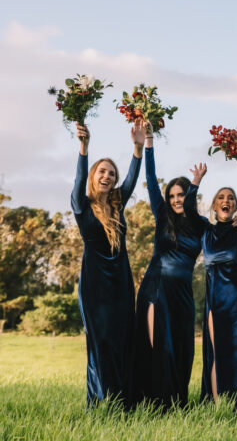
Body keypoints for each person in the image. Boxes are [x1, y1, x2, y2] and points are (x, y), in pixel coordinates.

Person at [71, 120, 144, 406]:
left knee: (122, 339)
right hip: (94, 285)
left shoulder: (117, 204)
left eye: (111, 173)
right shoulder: (81, 204)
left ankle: (123, 400)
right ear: (94, 176)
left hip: (121, 283)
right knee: (99, 341)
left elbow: (132, 179)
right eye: (102, 171)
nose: (108, 176)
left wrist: (138, 148)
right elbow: (79, 179)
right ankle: (100, 402)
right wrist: (84, 147)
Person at [184, 159, 237, 409]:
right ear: (214, 205)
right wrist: (196, 181)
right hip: (216, 300)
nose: (225, 201)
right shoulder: (205, 230)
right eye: (221, 197)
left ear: (236, 206)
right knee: (217, 350)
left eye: (230, 198)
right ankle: (218, 404)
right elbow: (188, 209)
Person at [132, 124, 203, 407]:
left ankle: (176, 402)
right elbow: (150, 180)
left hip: (183, 294)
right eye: (172, 195)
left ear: (189, 195)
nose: (176, 200)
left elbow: (224, 234)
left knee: (181, 348)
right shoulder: (162, 216)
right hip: (156, 287)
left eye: (180, 194)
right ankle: (152, 402)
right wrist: (149, 143)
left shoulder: (200, 225)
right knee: (156, 344)